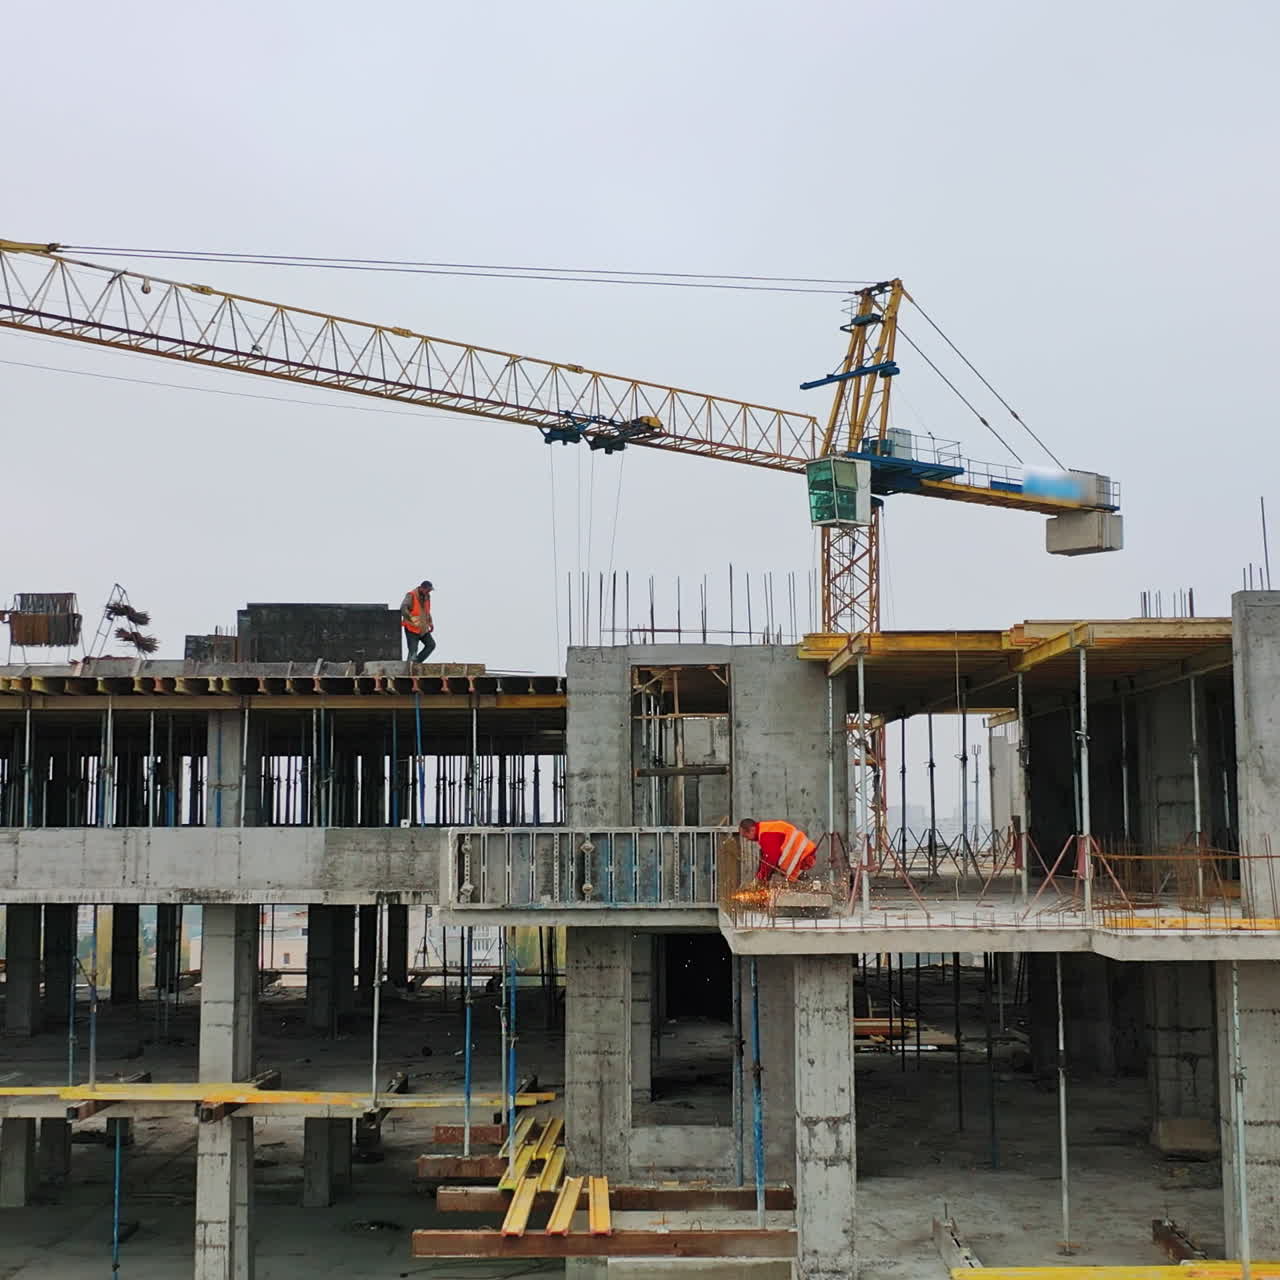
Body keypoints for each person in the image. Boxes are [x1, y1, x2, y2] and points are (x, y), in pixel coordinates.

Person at [738, 817, 817, 885]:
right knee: (802, 882)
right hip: (803, 853)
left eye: (746, 836)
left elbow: (771, 859)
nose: (747, 840)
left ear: (752, 830)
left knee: (800, 885)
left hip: (801, 855)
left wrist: (761, 879)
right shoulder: (766, 829)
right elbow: (767, 859)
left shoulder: (765, 835)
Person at [401, 580, 436, 661]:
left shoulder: (427, 597)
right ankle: (409, 669)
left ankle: (416, 664)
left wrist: (430, 622)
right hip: (411, 628)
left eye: (430, 590)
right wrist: (412, 619)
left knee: (431, 645)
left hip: (423, 628)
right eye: (428, 590)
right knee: (413, 652)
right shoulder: (411, 595)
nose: (429, 592)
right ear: (422, 588)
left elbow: (426, 611)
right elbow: (403, 608)